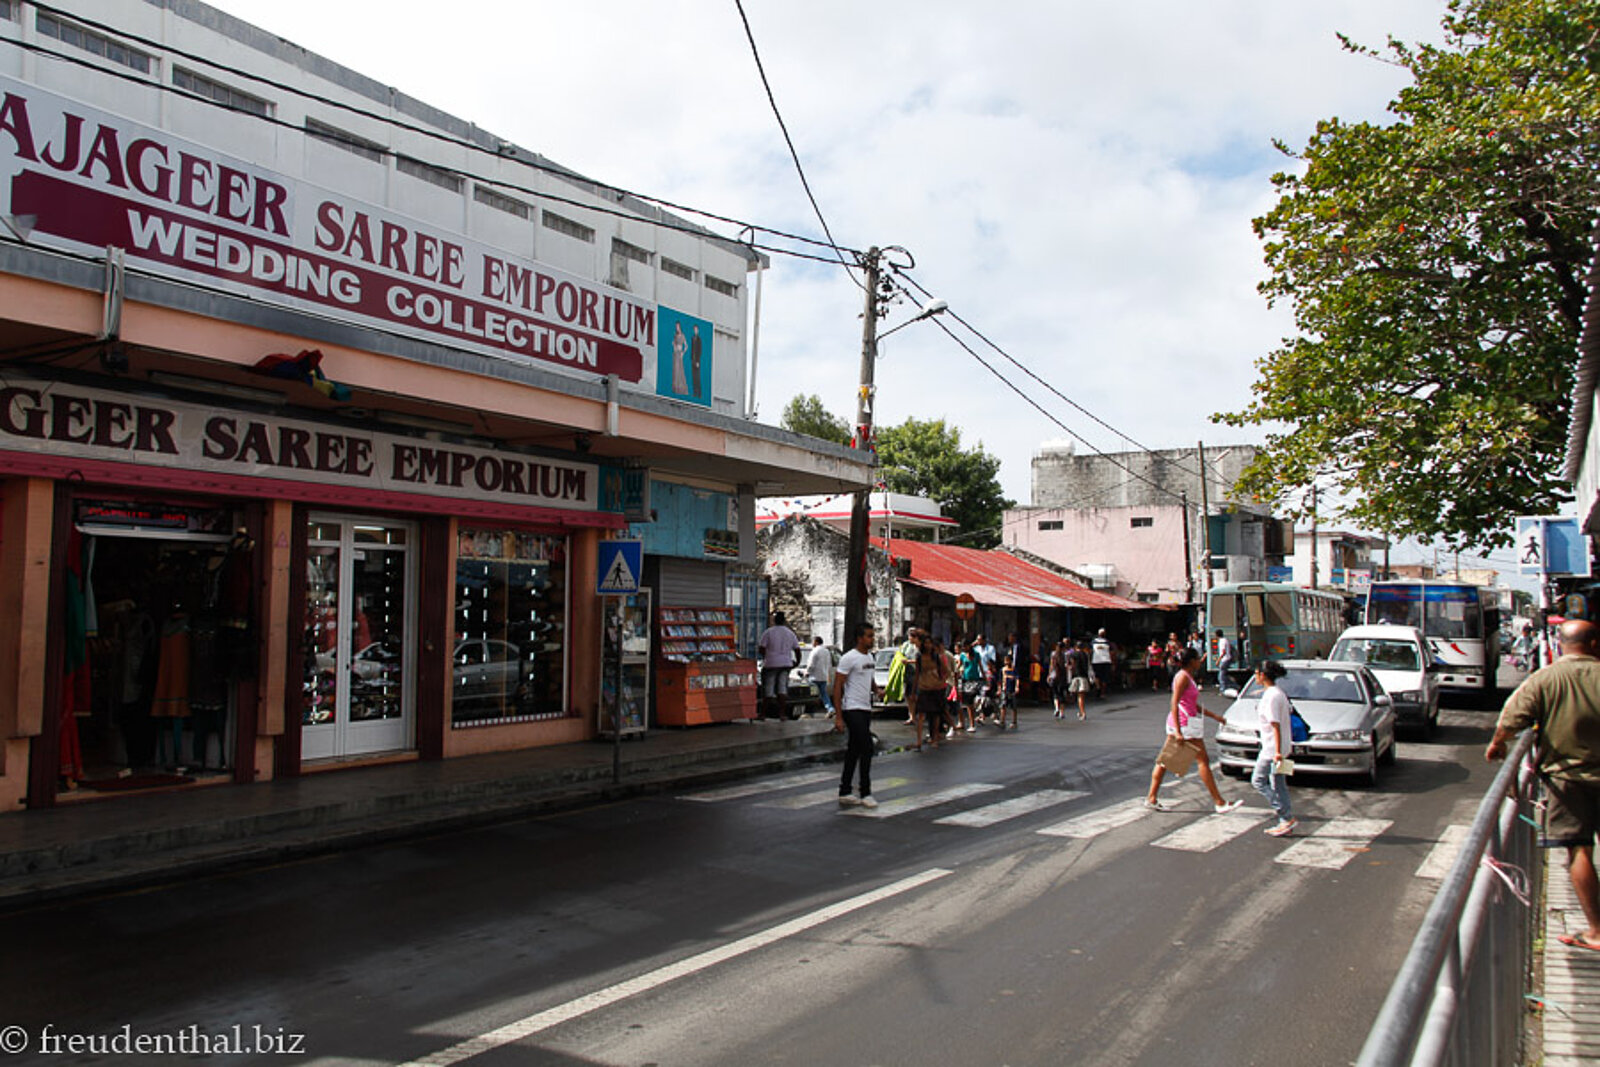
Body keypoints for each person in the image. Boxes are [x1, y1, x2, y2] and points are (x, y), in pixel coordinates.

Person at [1486, 618, 1600, 952]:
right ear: (1594, 644)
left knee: (1579, 849)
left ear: (1562, 645)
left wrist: (1498, 744)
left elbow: (1511, 719)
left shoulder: (1546, 679)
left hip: (1567, 781)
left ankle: (1596, 929)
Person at [1146, 647, 1243, 814]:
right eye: (1198, 659)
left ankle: (1151, 798)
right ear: (1191, 661)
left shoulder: (1187, 677)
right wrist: (1178, 731)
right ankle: (1219, 802)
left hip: (1184, 723)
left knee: (1164, 761)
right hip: (1184, 725)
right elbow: (1174, 703)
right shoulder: (1182, 677)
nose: (1200, 662)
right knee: (1202, 760)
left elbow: (1191, 704)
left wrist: (1214, 716)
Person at [833, 622, 880, 809]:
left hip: (865, 707)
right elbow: (838, 686)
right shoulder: (848, 658)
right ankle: (865, 791)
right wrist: (838, 716)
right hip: (852, 708)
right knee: (867, 747)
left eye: (872, 636)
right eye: (869, 636)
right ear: (859, 638)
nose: (872, 639)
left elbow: (870, 678)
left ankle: (845, 790)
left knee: (854, 749)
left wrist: (877, 690)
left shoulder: (869, 657)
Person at [1251, 660, 1297, 836]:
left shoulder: (1271, 696)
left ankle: (1285, 815)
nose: (1255, 676)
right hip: (1284, 747)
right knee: (1279, 785)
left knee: (1258, 781)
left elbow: (1275, 725)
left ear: (1263, 676)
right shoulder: (1278, 693)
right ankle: (1285, 821)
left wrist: (1277, 752)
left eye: (1256, 673)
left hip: (1272, 750)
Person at [756, 611, 801, 720]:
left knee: (768, 690)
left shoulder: (768, 632)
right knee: (782, 689)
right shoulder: (790, 633)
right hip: (786, 664)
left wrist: (767, 656)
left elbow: (761, 648)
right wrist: (796, 663)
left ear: (774, 620)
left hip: (771, 664)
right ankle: (782, 714)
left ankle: (762, 714)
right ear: (784, 620)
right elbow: (797, 650)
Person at [914, 632, 951, 749]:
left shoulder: (936, 657)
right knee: (920, 715)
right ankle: (919, 741)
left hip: (935, 688)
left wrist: (941, 680)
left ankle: (934, 738)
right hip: (923, 688)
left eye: (930, 643)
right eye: (926, 643)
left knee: (935, 715)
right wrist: (914, 691)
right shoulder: (919, 657)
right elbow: (917, 674)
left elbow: (947, 671)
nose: (928, 645)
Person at [806, 636, 834, 715]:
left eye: (813, 641)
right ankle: (830, 708)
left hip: (814, 677)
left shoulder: (814, 651)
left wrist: (807, 672)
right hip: (823, 677)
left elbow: (811, 664)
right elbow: (829, 664)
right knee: (824, 694)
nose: (812, 643)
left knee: (813, 695)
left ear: (816, 642)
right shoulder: (826, 651)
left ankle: (811, 712)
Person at [1067, 639, 1090, 721]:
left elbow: (1071, 665)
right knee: (1081, 696)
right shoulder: (1085, 655)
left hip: (1076, 677)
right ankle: (1081, 711)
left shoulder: (1073, 655)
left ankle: (1083, 713)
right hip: (1084, 676)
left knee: (1079, 696)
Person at [997, 654, 1020, 730]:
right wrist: (999, 689)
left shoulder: (1014, 669)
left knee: (1013, 706)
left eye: (1007, 660)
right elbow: (1000, 681)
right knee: (1003, 705)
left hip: (1012, 689)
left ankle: (1014, 721)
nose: (1006, 662)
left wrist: (1017, 687)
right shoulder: (1002, 670)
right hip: (1005, 689)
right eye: (1005, 661)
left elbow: (1017, 679)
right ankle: (1002, 721)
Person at [1050, 638, 1072, 719]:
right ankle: (1062, 713)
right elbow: (1069, 666)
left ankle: (1056, 708)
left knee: (1055, 694)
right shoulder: (1066, 655)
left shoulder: (1053, 654)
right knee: (1062, 694)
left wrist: (1049, 675)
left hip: (1054, 676)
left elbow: (1051, 666)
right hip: (1063, 677)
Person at [1091, 629, 1113, 697]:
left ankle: (1098, 688)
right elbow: (1112, 652)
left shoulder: (1093, 642)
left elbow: (1090, 651)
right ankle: (1102, 692)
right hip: (1106, 661)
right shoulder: (1107, 642)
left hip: (1096, 661)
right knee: (1104, 678)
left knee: (1097, 676)